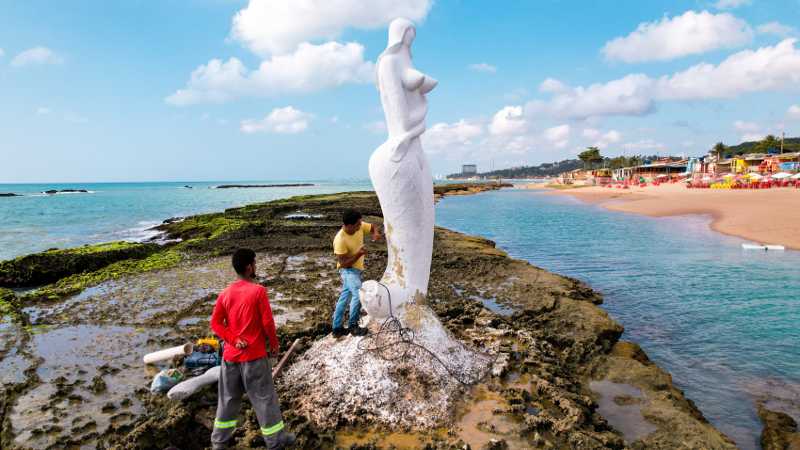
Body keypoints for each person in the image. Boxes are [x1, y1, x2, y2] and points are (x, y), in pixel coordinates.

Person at [210, 248, 295, 450]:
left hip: (230, 359)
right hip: (254, 358)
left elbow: (216, 323)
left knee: (227, 401)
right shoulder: (258, 291)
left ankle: (219, 443)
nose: (255, 266)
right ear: (249, 267)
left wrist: (233, 338)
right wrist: (274, 345)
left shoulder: (225, 293)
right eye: (255, 263)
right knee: (264, 400)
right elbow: (267, 323)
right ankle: (275, 443)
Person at [332, 209, 381, 337]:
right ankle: (353, 326)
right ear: (348, 225)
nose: (360, 226)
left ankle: (336, 329)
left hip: (357, 270)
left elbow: (372, 227)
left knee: (344, 299)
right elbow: (343, 264)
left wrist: (375, 233)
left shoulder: (358, 226)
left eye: (360, 223)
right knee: (359, 293)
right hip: (347, 271)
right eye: (358, 224)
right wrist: (359, 254)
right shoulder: (340, 240)